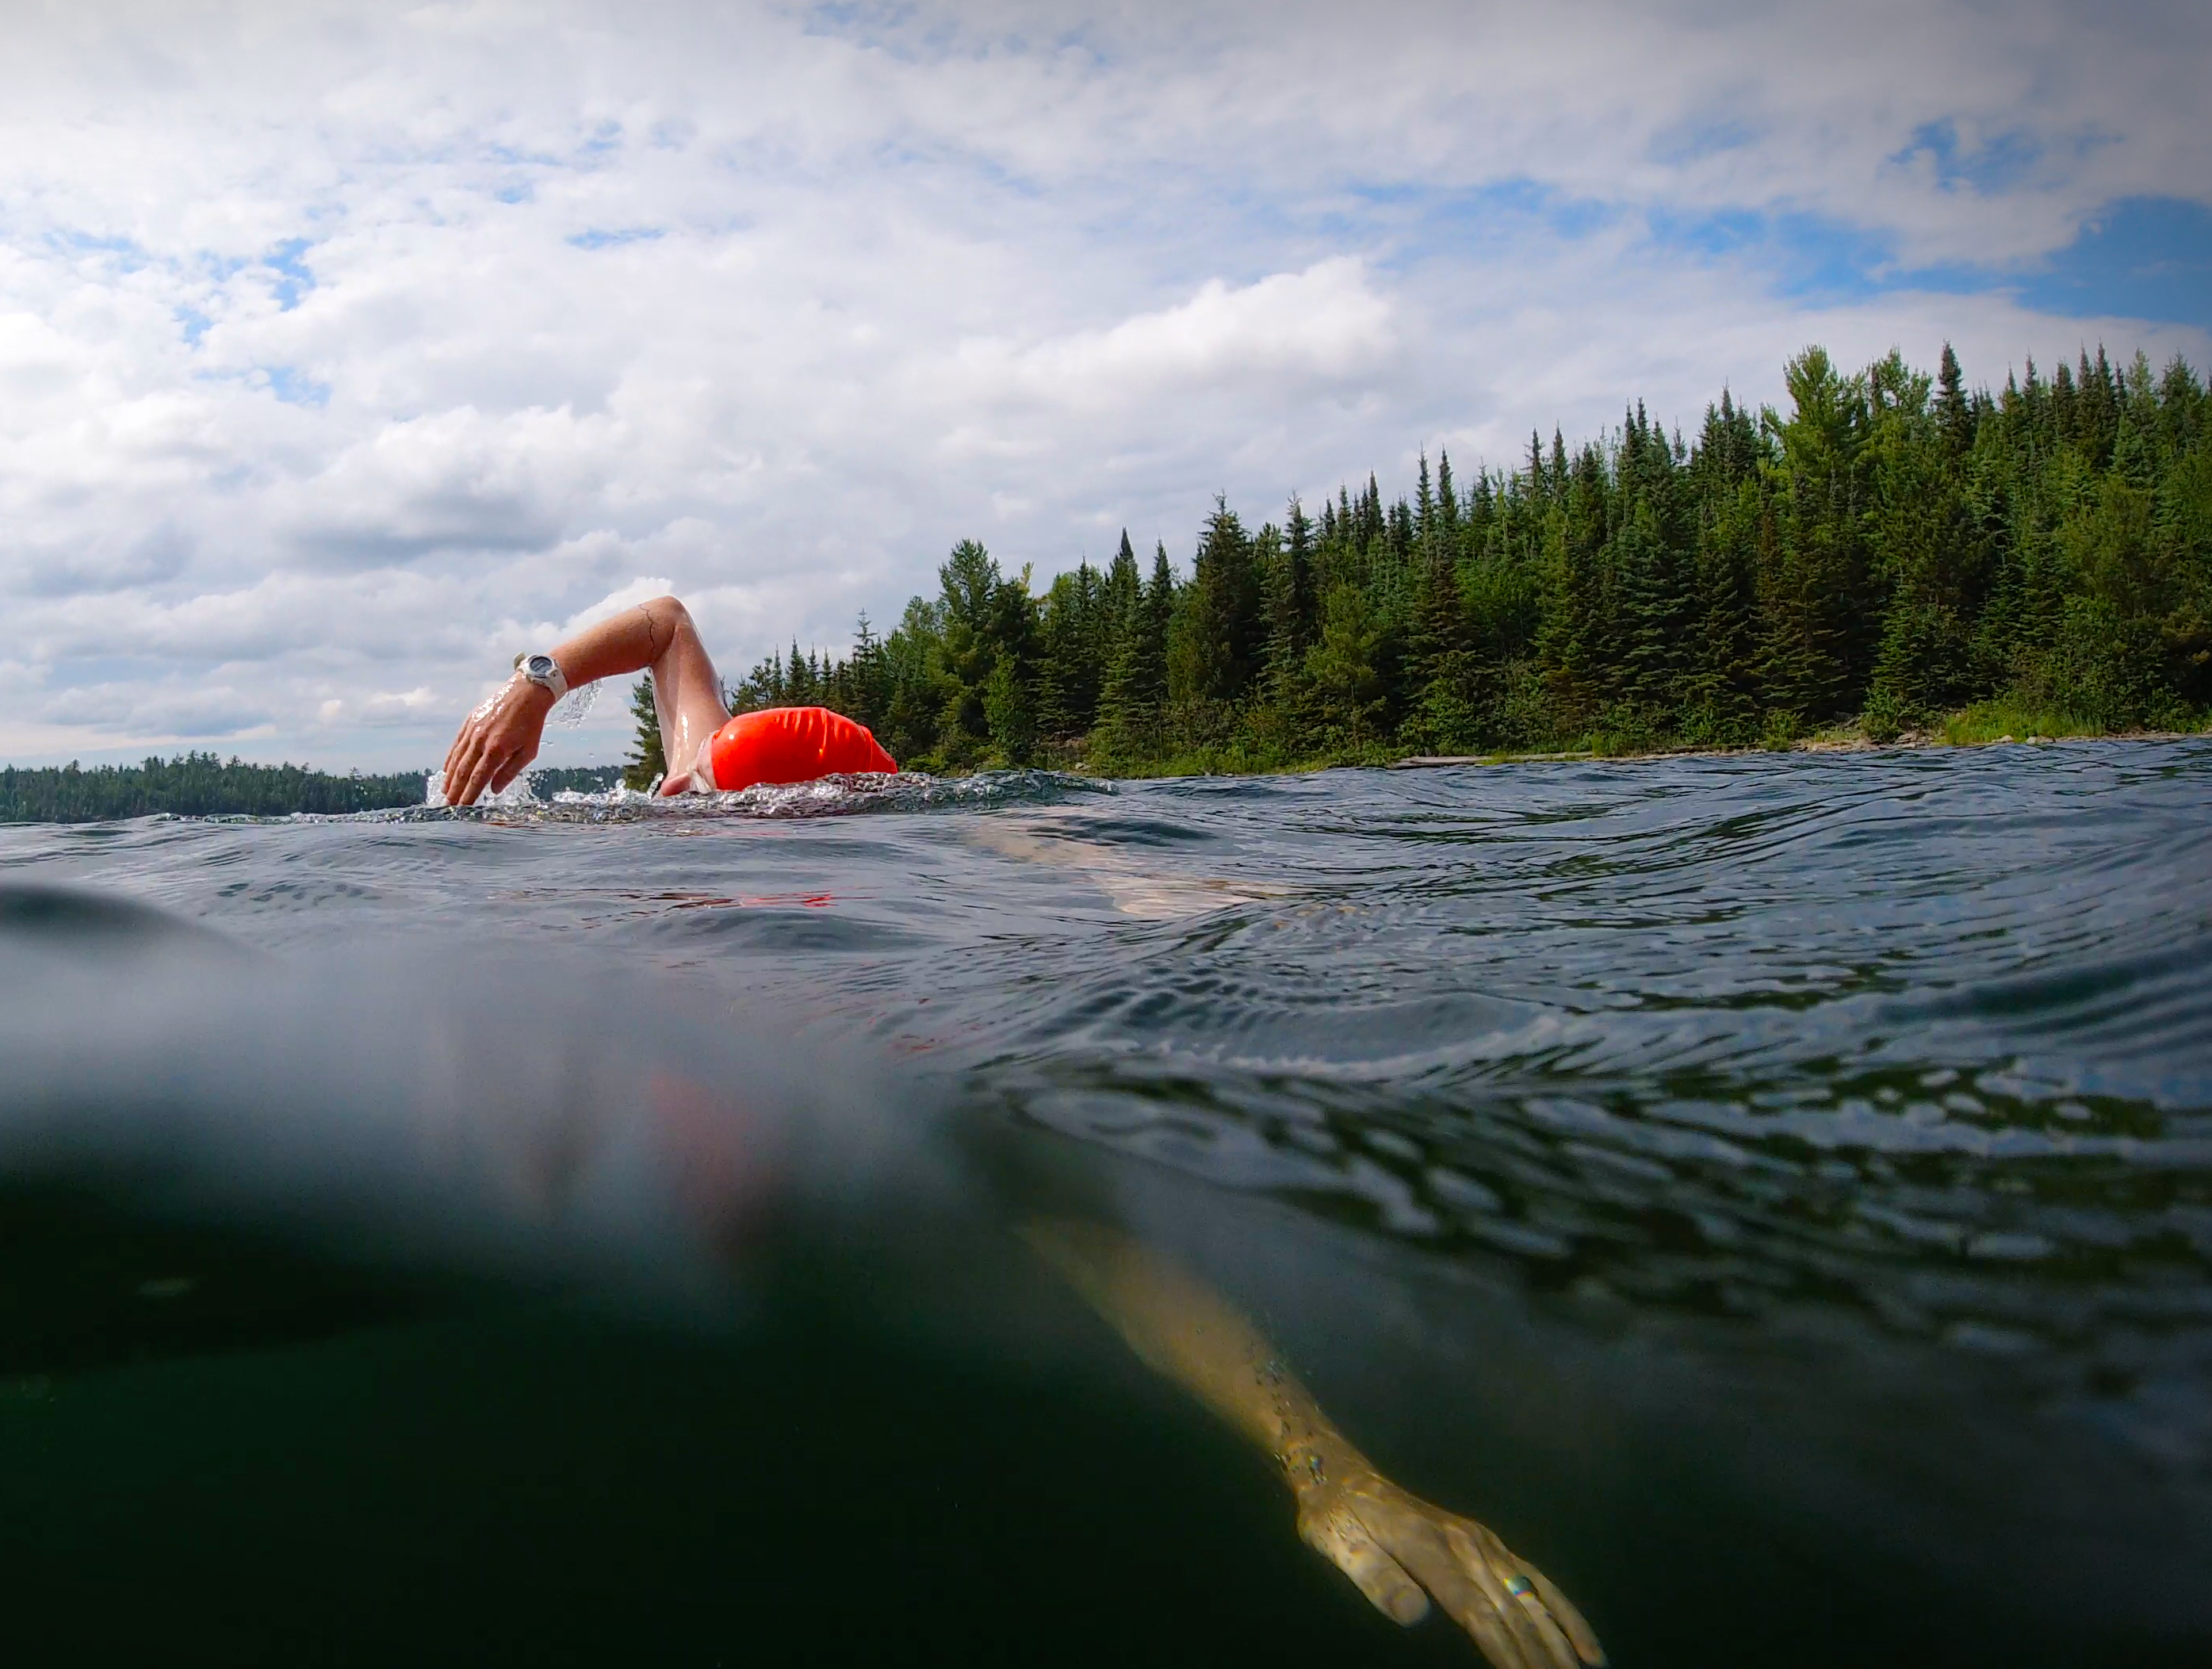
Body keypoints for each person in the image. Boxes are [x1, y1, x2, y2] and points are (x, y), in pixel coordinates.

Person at [438, 599, 1604, 1668]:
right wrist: (531, 687)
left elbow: (1114, 1262)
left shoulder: (768, 877)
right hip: (754, 1137)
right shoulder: (690, 800)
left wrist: (1328, 1470)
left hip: (836, 1109)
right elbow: (666, 622)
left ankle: (1133, 881)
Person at [437, 595, 894, 806]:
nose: (673, 786)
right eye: (694, 771)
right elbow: (669, 622)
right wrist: (537, 687)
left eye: (704, 795)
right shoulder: (704, 758)